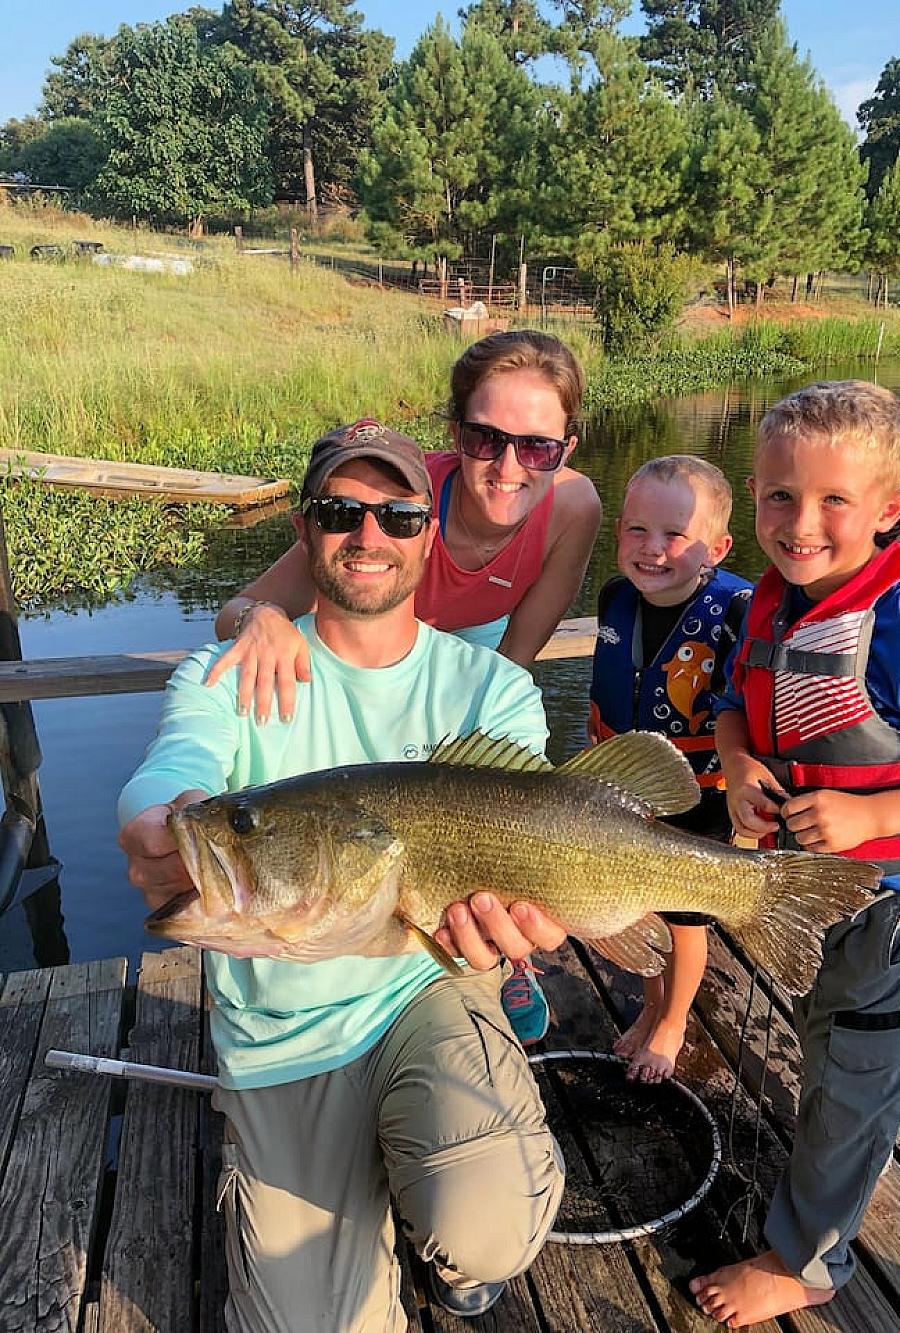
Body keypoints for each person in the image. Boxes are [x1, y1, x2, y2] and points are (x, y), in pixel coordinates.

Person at [118, 422, 568, 1333]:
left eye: (399, 514)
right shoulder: (229, 670)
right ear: (305, 528)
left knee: (486, 1223)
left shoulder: (490, 689)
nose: (370, 536)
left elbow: (543, 839)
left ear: (427, 534)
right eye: (340, 512)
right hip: (281, 1035)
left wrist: (538, 921)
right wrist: (167, 818)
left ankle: (448, 1238)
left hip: (429, 988)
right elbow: (174, 769)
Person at [690, 381, 900, 1327]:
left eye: (834, 500)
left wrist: (883, 814)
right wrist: (739, 763)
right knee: (824, 1036)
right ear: (755, 494)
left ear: (890, 508)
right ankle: (816, 1175)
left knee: (860, 1071)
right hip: (803, 879)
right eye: (781, 495)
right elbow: (740, 702)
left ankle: (810, 1262)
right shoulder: (771, 599)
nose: (802, 522)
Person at [208, 330, 602, 1045]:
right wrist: (264, 617)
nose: (510, 465)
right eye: (486, 438)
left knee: (481, 826)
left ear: (566, 450)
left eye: (538, 447)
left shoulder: (573, 509)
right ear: (455, 435)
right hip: (374, 655)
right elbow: (236, 608)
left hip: (475, 672)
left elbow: (516, 663)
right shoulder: (392, 508)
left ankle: (498, 937)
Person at [588, 456, 752, 1082]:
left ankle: (675, 1020)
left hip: (699, 791)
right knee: (635, 907)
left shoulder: (737, 611)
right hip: (621, 788)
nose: (652, 550)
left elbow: (752, 709)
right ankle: (652, 1003)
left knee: (685, 917)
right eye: (637, 530)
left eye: (675, 536)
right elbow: (604, 696)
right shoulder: (614, 597)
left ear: (718, 548)